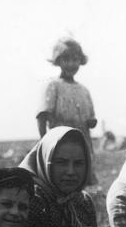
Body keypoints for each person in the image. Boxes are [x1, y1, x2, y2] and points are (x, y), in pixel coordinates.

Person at [36, 37, 98, 186]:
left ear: (80, 61)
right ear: (58, 61)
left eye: (75, 59)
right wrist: (45, 144)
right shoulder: (53, 86)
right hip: (60, 144)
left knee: (84, 180)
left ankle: (87, 202)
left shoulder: (84, 90)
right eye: (66, 59)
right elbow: (42, 117)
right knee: (60, 180)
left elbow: (91, 119)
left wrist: (91, 122)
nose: (71, 64)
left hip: (83, 144)